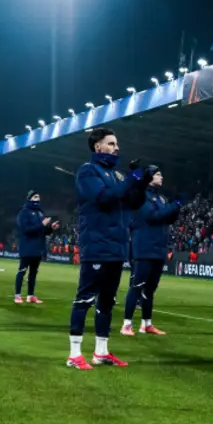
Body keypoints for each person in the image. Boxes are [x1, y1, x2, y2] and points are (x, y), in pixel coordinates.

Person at [66, 128, 153, 370]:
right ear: (98, 147)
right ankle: (74, 354)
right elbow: (103, 197)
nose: (117, 148)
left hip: (117, 245)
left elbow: (134, 202)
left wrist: (142, 183)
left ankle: (101, 352)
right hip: (96, 243)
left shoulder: (117, 175)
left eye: (117, 144)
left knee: (107, 300)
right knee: (85, 298)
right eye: (111, 143)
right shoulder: (88, 171)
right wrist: (130, 180)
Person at [122, 167, 181, 335]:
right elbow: (152, 216)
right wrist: (172, 207)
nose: (162, 177)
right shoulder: (141, 195)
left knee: (150, 289)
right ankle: (127, 324)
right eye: (158, 174)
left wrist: (176, 207)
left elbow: (168, 218)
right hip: (144, 246)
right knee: (137, 286)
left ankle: (146, 324)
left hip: (159, 247)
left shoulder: (161, 198)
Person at [15, 190, 56, 304]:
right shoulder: (24, 212)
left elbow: (42, 231)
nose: (38, 199)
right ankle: (17, 295)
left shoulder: (40, 213)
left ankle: (30, 296)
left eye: (38, 197)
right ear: (29, 199)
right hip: (27, 246)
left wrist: (51, 228)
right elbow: (26, 230)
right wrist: (42, 224)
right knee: (22, 271)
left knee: (33, 273)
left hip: (38, 247)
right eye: (35, 197)